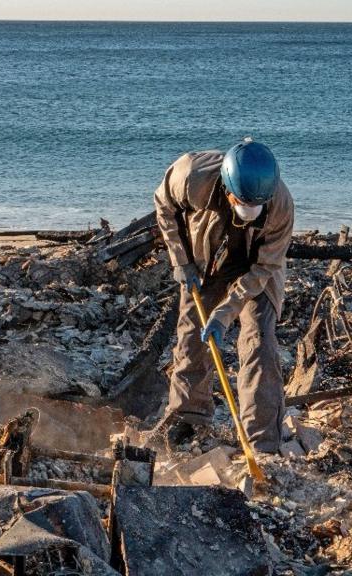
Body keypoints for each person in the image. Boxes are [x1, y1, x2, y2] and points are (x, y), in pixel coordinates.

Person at [150, 139, 294, 454]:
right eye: (243, 206)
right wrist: (180, 260)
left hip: (257, 269)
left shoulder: (280, 204)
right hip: (205, 260)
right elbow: (164, 205)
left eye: (256, 210)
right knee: (191, 338)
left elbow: (265, 267)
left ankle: (263, 441)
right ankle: (189, 418)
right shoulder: (192, 175)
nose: (250, 215)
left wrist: (225, 313)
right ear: (228, 190)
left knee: (260, 344)